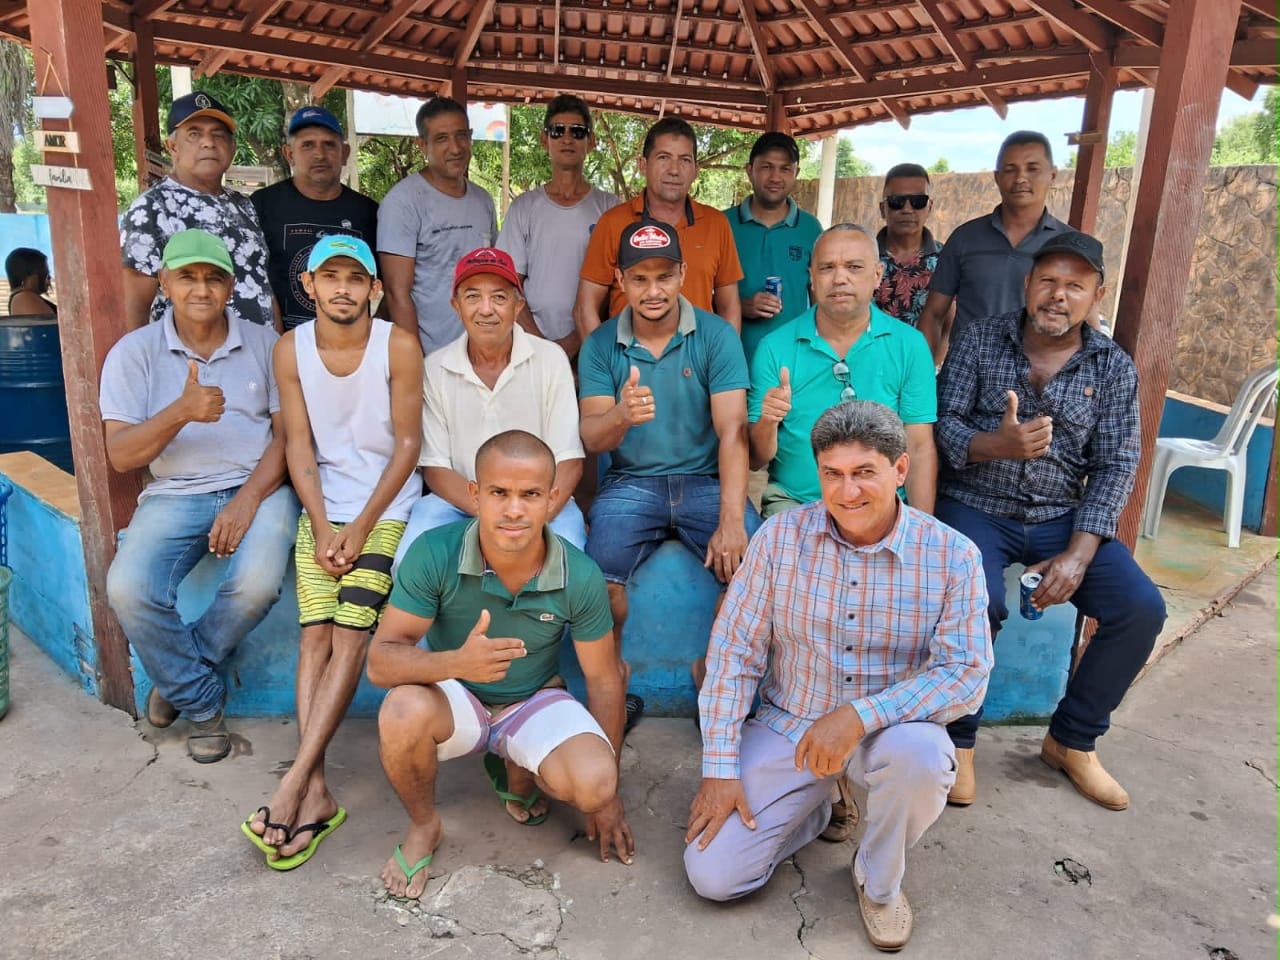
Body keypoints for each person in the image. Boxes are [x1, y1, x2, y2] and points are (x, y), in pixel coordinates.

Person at [684, 400, 992, 953]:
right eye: (833, 475)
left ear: (900, 471)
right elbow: (734, 653)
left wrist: (858, 717)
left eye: (865, 472)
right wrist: (720, 766)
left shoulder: (953, 556)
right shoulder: (780, 538)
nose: (847, 492)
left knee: (922, 758)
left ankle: (877, 878)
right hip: (791, 722)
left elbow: (966, 673)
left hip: (890, 732)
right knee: (714, 875)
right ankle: (821, 802)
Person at [934, 230, 1167, 811]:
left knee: (1140, 609)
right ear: (1027, 285)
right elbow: (940, 424)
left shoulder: (1112, 367)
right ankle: (957, 743)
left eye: (1074, 286)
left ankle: (1071, 741)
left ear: (1096, 295)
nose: (1058, 296)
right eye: (1048, 281)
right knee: (975, 599)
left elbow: (1117, 466)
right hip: (975, 505)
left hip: (1065, 517)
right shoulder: (981, 341)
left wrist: (1080, 554)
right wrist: (995, 444)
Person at [369, 430, 634, 901]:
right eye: (499, 493)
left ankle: (513, 759)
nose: (514, 510)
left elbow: (603, 680)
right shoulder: (433, 552)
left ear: (553, 499)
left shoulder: (580, 574)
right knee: (401, 710)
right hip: (455, 697)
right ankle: (424, 825)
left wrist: (610, 799)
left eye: (530, 494)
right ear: (475, 495)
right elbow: (381, 662)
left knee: (594, 786)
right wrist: (457, 662)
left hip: (531, 700)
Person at [243, 234, 422, 869]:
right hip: (324, 509)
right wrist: (321, 526)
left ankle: (292, 784)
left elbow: (407, 447)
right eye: (331, 276)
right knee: (313, 633)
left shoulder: (397, 345)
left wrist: (360, 525)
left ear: (375, 289)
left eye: (356, 277)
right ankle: (315, 790)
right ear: (309, 286)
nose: (344, 288)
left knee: (350, 633)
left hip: (387, 506)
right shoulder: (289, 349)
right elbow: (297, 445)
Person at [101, 229, 296, 763]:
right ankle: (204, 703)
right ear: (164, 282)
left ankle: (177, 681)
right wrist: (182, 410)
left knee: (257, 585)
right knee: (128, 587)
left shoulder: (265, 343)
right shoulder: (133, 353)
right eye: (187, 276)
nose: (201, 288)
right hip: (175, 492)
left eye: (213, 277)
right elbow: (120, 454)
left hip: (260, 486)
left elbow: (287, 438)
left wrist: (246, 500)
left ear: (231, 285)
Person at [578, 220, 761, 703]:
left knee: (757, 568)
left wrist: (730, 520)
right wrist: (620, 415)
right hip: (631, 483)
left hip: (703, 479)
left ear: (682, 273)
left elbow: (732, 432)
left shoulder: (717, 336)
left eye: (663, 276)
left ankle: (713, 669)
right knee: (599, 585)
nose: (653, 290)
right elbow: (592, 437)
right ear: (620, 280)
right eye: (639, 278)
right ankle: (614, 677)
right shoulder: (600, 345)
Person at [391, 246, 587, 568]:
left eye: (499, 297)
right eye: (472, 297)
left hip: (542, 502)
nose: (486, 309)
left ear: (517, 304)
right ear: (456, 305)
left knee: (568, 568)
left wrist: (530, 517)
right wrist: (498, 515)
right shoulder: (435, 367)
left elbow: (569, 462)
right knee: (409, 562)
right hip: (459, 501)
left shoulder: (550, 359)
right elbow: (437, 469)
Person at [748, 224, 937, 519]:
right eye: (826, 268)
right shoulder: (775, 347)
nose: (839, 278)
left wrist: (924, 530)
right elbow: (756, 458)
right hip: (798, 504)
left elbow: (920, 445)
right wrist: (768, 421)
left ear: (877, 275)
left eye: (854, 267)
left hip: (882, 506)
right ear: (811, 276)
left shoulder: (909, 345)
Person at [574, 117, 743, 339]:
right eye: (664, 158)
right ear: (643, 165)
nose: (674, 170)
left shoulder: (716, 223)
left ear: (695, 170)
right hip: (629, 366)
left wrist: (723, 366)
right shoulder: (612, 223)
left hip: (698, 368)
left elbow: (729, 307)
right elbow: (585, 308)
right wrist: (606, 367)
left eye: (684, 160)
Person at [121, 91, 276, 331]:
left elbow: (261, 282)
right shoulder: (153, 207)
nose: (208, 143)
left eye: (218, 135)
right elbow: (134, 304)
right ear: (172, 146)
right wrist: (141, 362)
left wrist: (275, 348)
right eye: (194, 134)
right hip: (190, 361)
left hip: (255, 357)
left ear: (233, 148)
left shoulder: (243, 204)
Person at [917, 130, 1067, 363]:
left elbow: (1085, 324)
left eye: (1032, 168)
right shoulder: (965, 238)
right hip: (966, 378)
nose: (1020, 178)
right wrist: (923, 377)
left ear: (1053, 175)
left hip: (1037, 380)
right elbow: (934, 314)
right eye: (1010, 169)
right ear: (997, 177)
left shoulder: (1068, 245)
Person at [496, 94, 617, 359]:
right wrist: (540, 344)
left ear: (591, 142)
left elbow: (617, 285)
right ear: (544, 140)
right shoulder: (523, 208)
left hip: (593, 346)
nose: (567, 138)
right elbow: (508, 282)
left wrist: (576, 341)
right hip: (528, 347)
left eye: (577, 131)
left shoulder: (611, 209)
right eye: (557, 131)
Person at [378, 97, 498, 355]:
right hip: (431, 356)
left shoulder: (483, 200)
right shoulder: (403, 202)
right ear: (422, 145)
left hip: (480, 355)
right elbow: (397, 292)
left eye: (461, 136)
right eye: (441, 138)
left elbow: (493, 274)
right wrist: (417, 365)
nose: (455, 148)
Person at [251, 105, 380, 331]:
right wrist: (276, 341)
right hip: (281, 345)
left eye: (329, 144)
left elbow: (390, 285)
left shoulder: (369, 212)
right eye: (307, 145)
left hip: (352, 351)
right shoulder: (262, 205)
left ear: (345, 153)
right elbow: (252, 280)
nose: (319, 154)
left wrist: (371, 335)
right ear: (289, 154)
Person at [724, 131, 822, 364]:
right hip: (733, 360)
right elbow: (701, 294)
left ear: (796, 173)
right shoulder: (722, 224)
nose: (775, 177)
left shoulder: (811, 228)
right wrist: (741, 306)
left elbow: (820, 300)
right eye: (766, 167)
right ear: (750, 170)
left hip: (795, 361)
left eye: (785, 168)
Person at [874, 163, 948, 331]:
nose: (907, 209)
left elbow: (949, 325)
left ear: (929, 207)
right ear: (882, 209)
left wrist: (931, 358)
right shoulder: (862, 257)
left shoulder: (946, 259)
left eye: (917, 201)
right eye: (896, 201)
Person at [5, 247, 56, 316]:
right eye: (44, 273)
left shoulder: (22, 298)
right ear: (27, 275)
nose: (49, 278)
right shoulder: (23, 298)